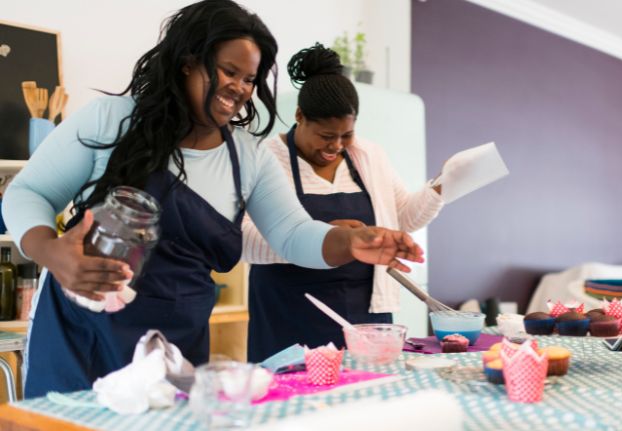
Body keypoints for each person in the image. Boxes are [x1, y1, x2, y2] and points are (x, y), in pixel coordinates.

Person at [1, 0, 423, 399]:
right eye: (229, 72)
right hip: (82, 334)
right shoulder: (112, 119)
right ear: (188, 62)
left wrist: (351, 242)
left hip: (174, 347)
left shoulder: (247, 155)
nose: (240, 88)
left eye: (250, 79)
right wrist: (52, 252)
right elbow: (28, 192)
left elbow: (293, 233)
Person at [242, 43, 445, 361]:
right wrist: (325, 238)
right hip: (288, 315)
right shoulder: (265, 158)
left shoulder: (369, 156)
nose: (335, 146)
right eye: (325, 135)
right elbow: (243, 238)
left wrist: (442, 186)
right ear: (299, 116)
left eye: (346, 135)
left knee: (365, 399)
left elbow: (401, 217)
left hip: (364, 316)